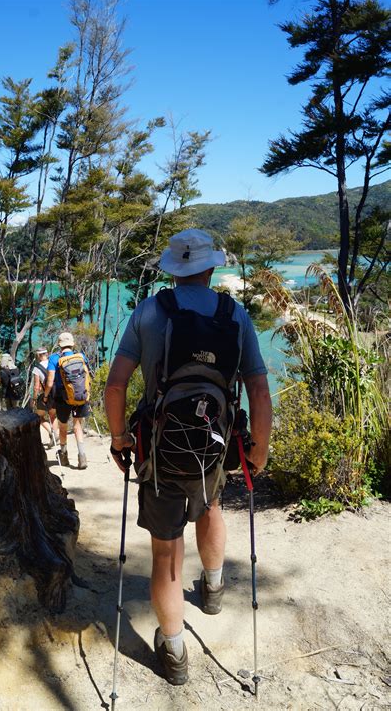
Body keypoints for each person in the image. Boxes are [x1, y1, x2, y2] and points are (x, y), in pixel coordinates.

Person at [104, 229, 272, 685]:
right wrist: (259, 447)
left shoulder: (149, 312)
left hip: (160, 450)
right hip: (214, 447)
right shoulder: (234, 315)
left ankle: (174, 650)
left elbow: (115, 385)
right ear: (211, 266)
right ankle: (214, 588)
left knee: (165, 553)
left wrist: (120, 438)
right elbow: (257, 386)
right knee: (212, 506)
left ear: (173, 269)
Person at [43, 332, 89, 470]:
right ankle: (82, 457)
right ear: (72, 343)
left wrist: (45, 396)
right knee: (78, 426)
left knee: (63, 427)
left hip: (62, 399)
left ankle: (64, 457)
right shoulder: (81, 357)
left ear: (59, 344)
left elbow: (50, 382)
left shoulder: (54, 359)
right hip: (80, 396)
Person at [31, 347, 59, 447]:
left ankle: (51, 433)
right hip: (56, 393)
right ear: (46, 354)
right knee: (53, 415)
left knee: (39, 416)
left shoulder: (37, 368)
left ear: (38, 355)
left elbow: (36, 387)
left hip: (45, 395)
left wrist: (34, 399)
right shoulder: (53, 364)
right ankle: (55, 435)